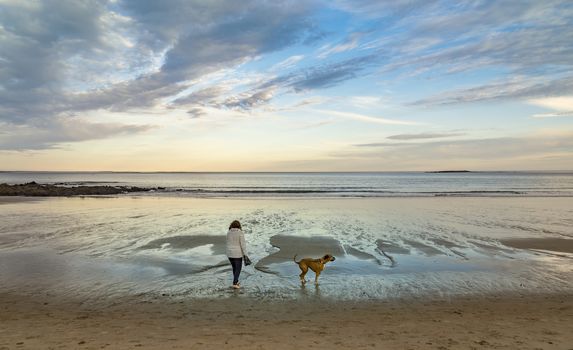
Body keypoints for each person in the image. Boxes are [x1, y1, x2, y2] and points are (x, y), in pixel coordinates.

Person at [226, 220, 247, 289]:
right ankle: (235, 283)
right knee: (238, 269)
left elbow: (228, 243)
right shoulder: (240, 232)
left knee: (234, 268)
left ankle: (236, 281)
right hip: (237, 254)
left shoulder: (228, 232)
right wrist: (245, 254)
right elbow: (243, 244)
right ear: (239, 226)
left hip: (230, 253)